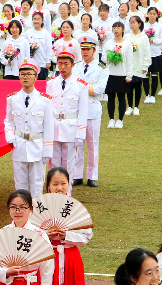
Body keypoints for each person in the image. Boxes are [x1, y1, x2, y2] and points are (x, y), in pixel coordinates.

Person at [43, 168, 92, 285]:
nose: (59, 187)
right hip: (48, 258)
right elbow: (30, 233)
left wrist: (66, 236)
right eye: (55, 184)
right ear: (48, 186)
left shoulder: (75, 208)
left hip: (71, 259)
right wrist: (45, 235)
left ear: (69, 185)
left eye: (63, 183)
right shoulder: (39, 207)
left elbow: (87, 235)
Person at [4, 62, 54, 198]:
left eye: (29, 74)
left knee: (37, 184)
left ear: (36, 77)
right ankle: (23, 213)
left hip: (37, 146)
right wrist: (10, 135)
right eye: (22, 74)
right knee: (20, 185)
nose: (25, 77)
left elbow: (49, 127)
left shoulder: (45, 101)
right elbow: (8, 120)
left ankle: (36, 214)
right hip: (19, 145)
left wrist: (47, 150)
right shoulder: (12, 99)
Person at [70, 37, 106, 187]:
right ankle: (77, 175)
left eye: (88, 49)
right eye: (83, 49)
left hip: (92, 108)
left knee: (92, 144)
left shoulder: (101, 68)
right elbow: (72, 86)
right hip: (77, 109)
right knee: (77, 143)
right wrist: (86, 87)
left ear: (94, 50)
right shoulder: (76, 66)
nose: (85, 52)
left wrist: (82, 87)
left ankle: (92, 175)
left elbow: (99, 89)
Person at [45, 49, 87, 175]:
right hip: (54, 127)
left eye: (66, 64)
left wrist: (81, 133)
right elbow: (47, 109)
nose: (62, 67)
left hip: (70, 128)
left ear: (73, 65)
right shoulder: (51, 83)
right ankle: (53, 192)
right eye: (60, 63)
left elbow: (83, 112)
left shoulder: (81, 86)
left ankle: (66, 192)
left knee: (68, 164)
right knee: (53, 164)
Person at [103, 22, 132, 128]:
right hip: (110, 73)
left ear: (123, 29)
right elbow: (103, 57)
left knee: (121, 97)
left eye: (118, 27)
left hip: (122, 74)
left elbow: (130, 60)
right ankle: (111, 119)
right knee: (110, 97)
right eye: (114, 27)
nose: (116, 29)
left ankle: (120, 119)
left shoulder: (127, 44)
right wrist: (111, 57)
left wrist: (129, 75)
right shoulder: (108, 43)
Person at [125, 16, 150, 116]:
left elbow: (147, 52)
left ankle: (136, 107)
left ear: (139, 24)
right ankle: (130, 106)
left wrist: (145, 65)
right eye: (130, 23)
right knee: (129, 86)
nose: (132, 25)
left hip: (139, 63)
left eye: (133, 22)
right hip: (129, 65)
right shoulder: (127, 36)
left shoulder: (144, 37)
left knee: (138, 86)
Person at [143, 8, 162, 102]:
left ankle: (152, 95)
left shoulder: (160, 26)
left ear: (157, 15)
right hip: (145, 53)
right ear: (147, 14)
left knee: (154, 74)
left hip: (156, 53)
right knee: (146, 74)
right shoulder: (143, 26)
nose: (152, 15)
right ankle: (147, 94)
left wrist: (153, 41)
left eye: (154, 14)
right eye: (150, 13)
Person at [24, 11, 53, 79]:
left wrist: (48, 61)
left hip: (42, 63)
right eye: (34, 19)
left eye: (38, 19)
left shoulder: (46, 33)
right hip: (30, 63)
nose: (36, 21)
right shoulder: (28, 33)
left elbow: (49, 48)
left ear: (42, 21)